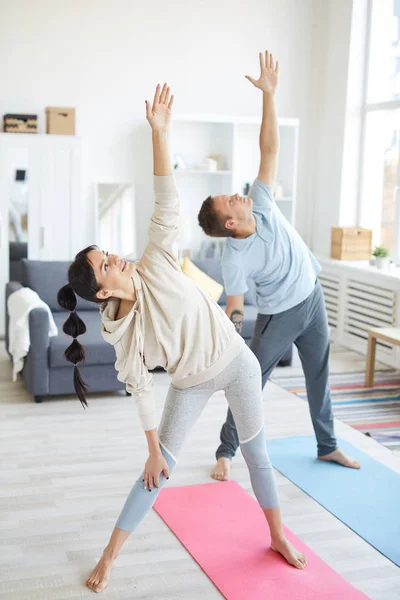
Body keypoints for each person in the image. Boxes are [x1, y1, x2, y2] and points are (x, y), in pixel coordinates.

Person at [57, 83, 307, 594]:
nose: (115, 258)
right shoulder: (118, 331)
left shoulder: (157, 258)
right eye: (106, 264)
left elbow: (165, 194)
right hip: (188, 384)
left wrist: (160, 134)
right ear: (102, 288)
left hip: (236, 362)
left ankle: (277, 535)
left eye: (107, 252)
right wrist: (153, 450)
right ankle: (109, 556)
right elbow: (140, 390)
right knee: (156, 471)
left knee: (258, 456)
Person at [197, 51, 360, 483]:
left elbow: (269, 146)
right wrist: (229, 343)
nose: (239, 194)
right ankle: (226, 450)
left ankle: (327, 446)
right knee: (252, 381)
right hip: (279, 317)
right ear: (230, 224)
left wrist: (269, 94)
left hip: (312, 297)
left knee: (319, 375)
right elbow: (235, 306)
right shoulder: (234, 256)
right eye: (231, 199)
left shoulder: (263, 202)